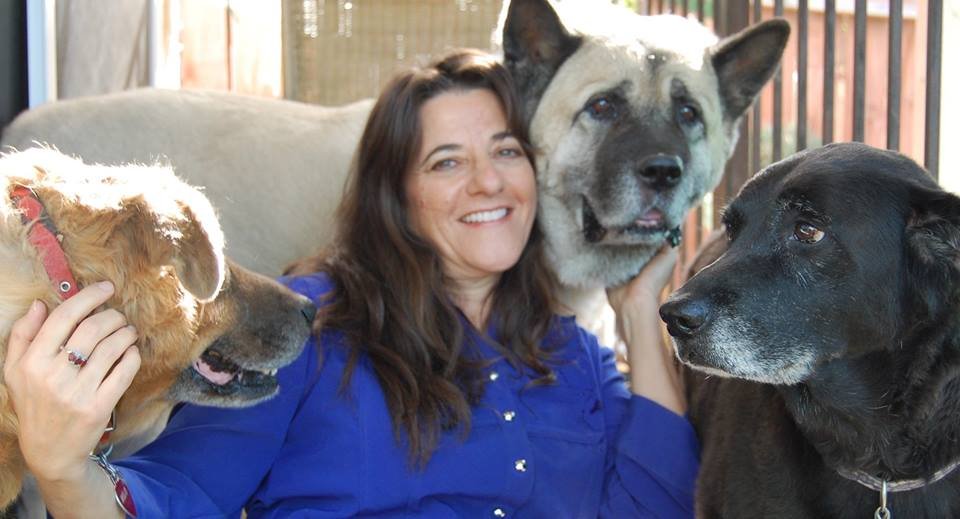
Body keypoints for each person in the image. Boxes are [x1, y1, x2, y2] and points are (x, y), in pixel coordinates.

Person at [4, 49, 698, 518]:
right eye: (446, 162)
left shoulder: (573, 353)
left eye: (506, 151)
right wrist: (65, 468)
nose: (488, 181)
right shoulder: (307, 324)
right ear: (397, 194)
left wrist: (640, 310)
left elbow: (658, 501)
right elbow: (176, 497)